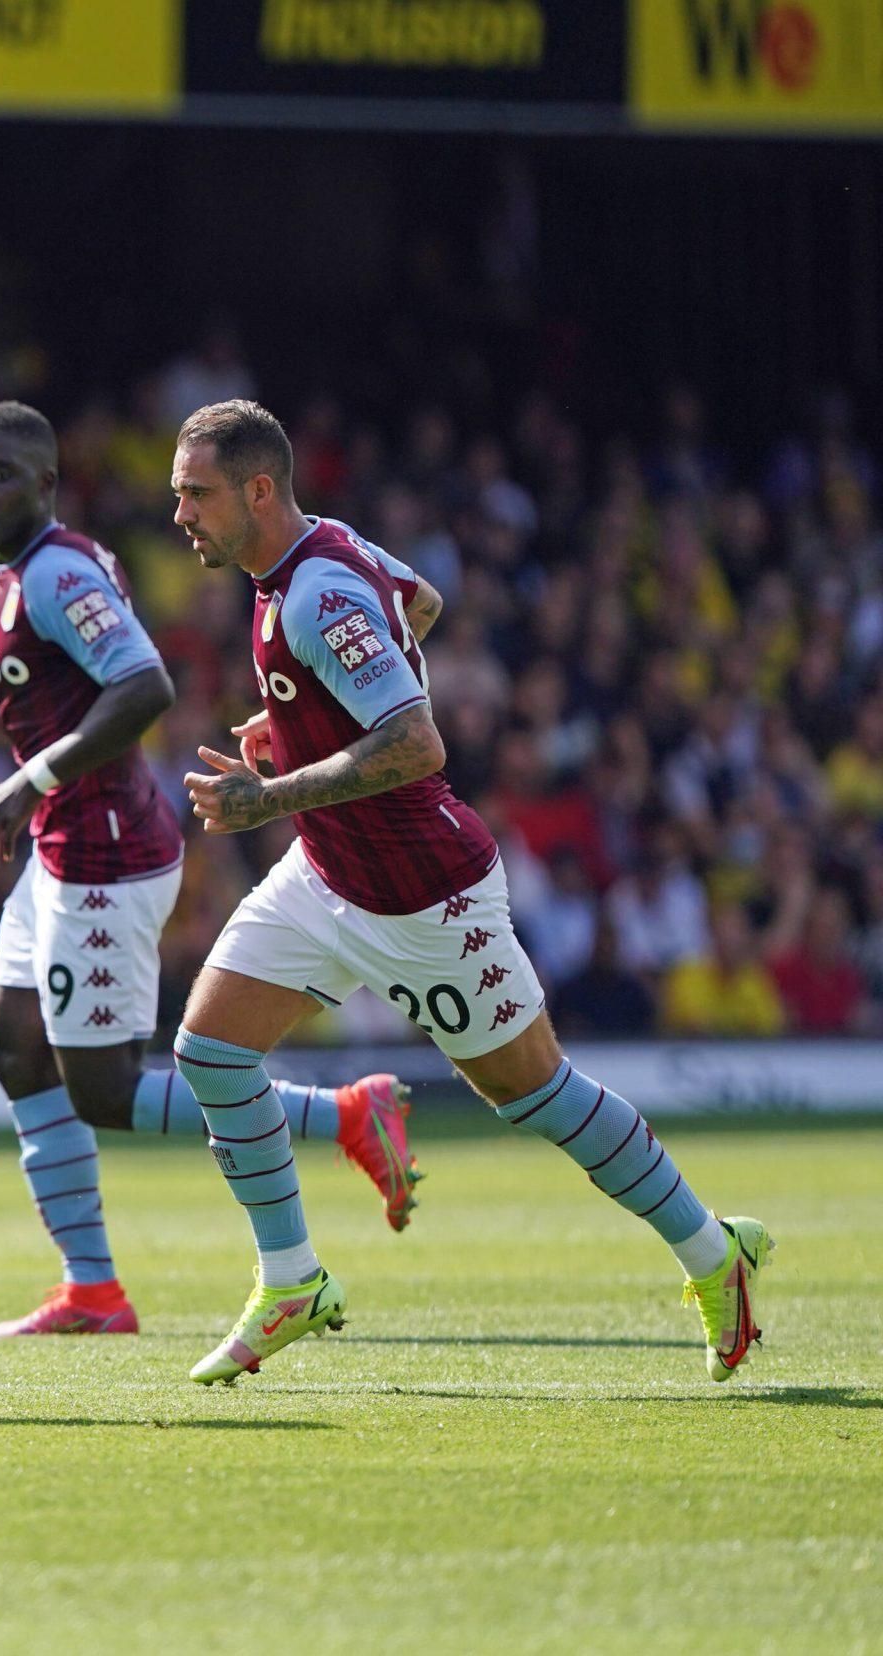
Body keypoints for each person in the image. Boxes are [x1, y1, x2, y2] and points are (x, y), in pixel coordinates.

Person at [168, 399, 767, 1385]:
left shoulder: (314, 593)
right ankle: (291, 1283)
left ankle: (713, 1255)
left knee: (532, 1091)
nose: (181, 514)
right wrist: (307, 722)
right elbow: (422, 607)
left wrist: (269, 791)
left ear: (259, 491)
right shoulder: (312, 560)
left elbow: (418, 744)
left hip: (424, 898)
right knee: (210, 1051)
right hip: (327, 874)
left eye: (196, 494)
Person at [0, 402, 418, 1339]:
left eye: (1, 473)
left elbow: (143, 687)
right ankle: (92, 1288)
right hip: (61, 846)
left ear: (45, 484)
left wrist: (24, 784)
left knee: (106, 1088)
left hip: (105, 854)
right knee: (14, 1051)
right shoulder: (26, 576)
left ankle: (345, 1116)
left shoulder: (54, 571)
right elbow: (49, 696)